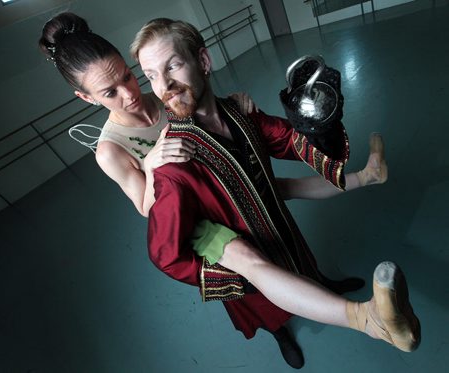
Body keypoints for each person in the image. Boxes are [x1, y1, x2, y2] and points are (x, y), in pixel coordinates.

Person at [38, 12, 389, 368]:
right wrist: (151, 162)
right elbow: (147, 208)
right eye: (110, 92)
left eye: (129, 76)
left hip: (225, 180)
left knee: (283, 213)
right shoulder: (110, 151)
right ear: (86, 97)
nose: (129, 93)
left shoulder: (161, 92)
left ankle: (326, 268)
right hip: (197, 215)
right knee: (254, 274)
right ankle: (280, 331)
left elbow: (200, 104)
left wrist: (235, 104)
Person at [130, 17, 420, 362]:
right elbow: (165, 254)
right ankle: (281, 334)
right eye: (151, 75)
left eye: (173, 65)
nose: (164, 85)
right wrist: (228, 270)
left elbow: (289, 140)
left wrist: (316, 122)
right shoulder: (173, 163)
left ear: (203, 62)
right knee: (269, 310)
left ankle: (323, 284)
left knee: (303, 264)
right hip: (247, 259)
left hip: (279, 225)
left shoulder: (239, 111)